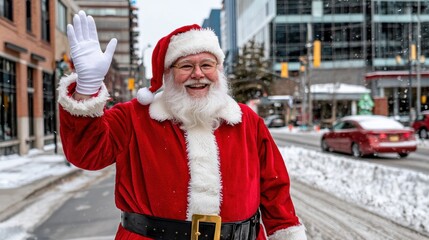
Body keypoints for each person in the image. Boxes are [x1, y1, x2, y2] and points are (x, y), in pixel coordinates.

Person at [58, 10, 307, 240]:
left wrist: (286, 232)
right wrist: (86, 90)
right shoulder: (134, 117)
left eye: (206, 65)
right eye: (186, 66)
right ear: (168, 75)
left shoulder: (246, 120)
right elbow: (87, 154)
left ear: (218, 71)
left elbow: (275, 190)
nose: (198, 74)